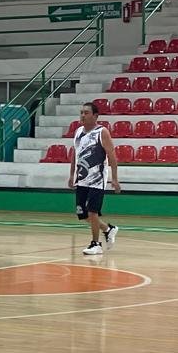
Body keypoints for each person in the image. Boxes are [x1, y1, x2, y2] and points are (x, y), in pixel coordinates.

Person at [69, 102, 120, 256]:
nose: (83, 115)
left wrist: (115, 179)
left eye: (86, 112)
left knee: (92, 212)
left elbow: (112, 156)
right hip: (81, 178)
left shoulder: (102, 132)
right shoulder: (78, 132)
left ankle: (95, 244)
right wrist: (71, 174)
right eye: (81, 112)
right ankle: (108, 229)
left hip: (97, 179)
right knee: (82, 214)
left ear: (95, 116)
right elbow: (75, 155)